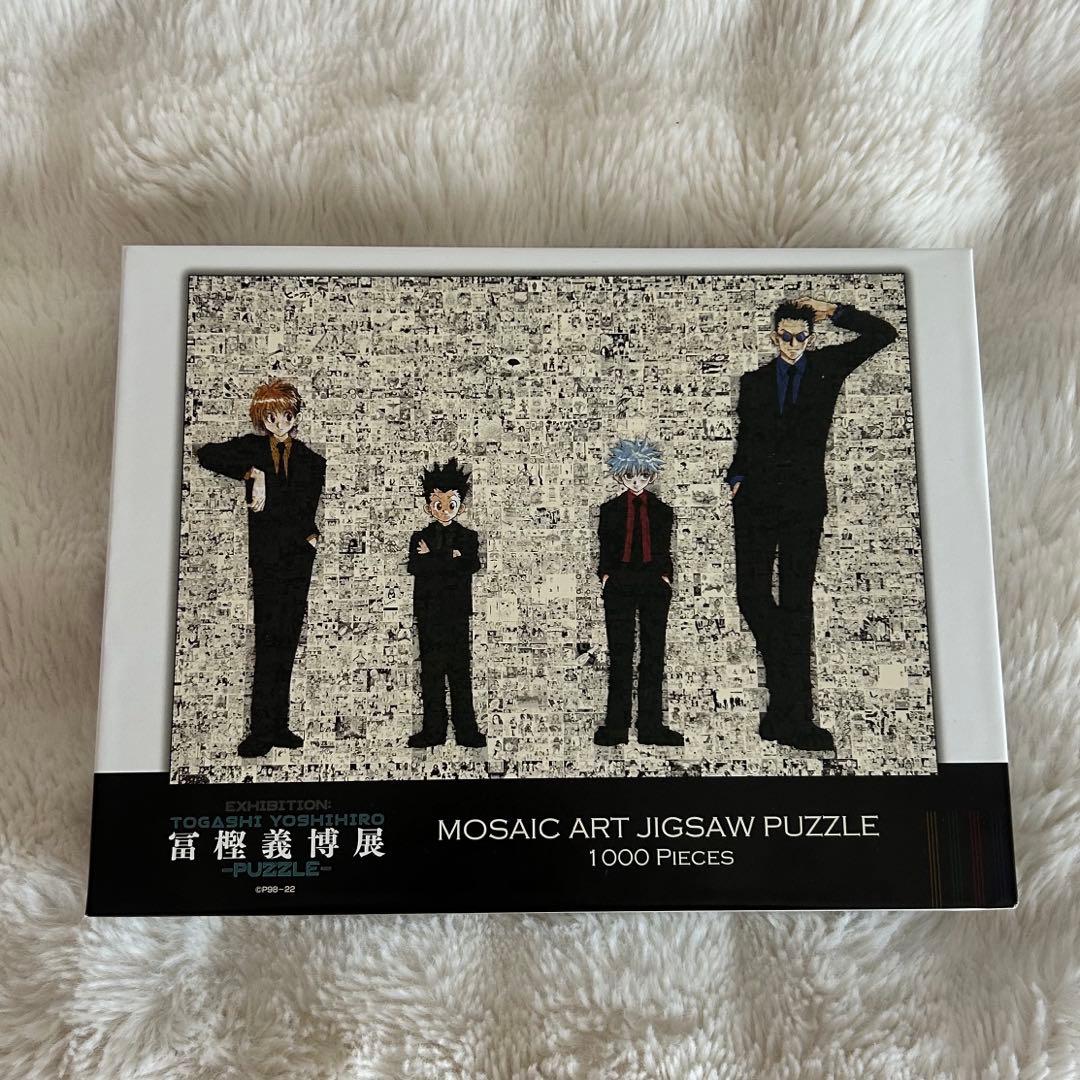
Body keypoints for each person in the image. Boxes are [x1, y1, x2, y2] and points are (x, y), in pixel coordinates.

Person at [726, 296, 897, 751]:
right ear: (773, 336)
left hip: (802, 504)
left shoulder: (827, 367)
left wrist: (835, 312)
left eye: (801, 336)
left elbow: (884, 334)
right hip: (755, 502)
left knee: (796, 605)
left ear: (811, 336)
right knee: (752, 596)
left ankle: (794, 720)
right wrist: (738, 478)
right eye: (785, 336)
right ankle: (785, 710)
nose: (792, 344)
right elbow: (748, 438)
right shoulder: (754, 382)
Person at [195, 378, 326, 758]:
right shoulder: (251, 449)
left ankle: (279, 725)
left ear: (295, 416)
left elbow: (301, 508)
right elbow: (206, 453)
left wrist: (309, 538)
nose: (279, 423)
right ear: (261, 418)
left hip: (297, 557)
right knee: (268, 640)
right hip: (268, 559)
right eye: (270, 417)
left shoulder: (312, 460)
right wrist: (253, 473)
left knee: (287, 640)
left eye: (285, 416)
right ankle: (261, 731)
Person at [595, 437, 684, 747]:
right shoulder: (609, 510)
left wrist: (665, 578)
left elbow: (664, 546)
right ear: (620, 475)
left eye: (643, 475)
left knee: (653, 655)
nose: (636, 481)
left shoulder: (662, 510)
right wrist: (606, 576)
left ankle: (650, 726)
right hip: (619, 582)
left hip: (652, 583)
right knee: (620, 655)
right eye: (630, 475)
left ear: (651, 475)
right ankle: (616, 726)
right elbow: (605, 546)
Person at [407, 458, 487, 748]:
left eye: (450, 504)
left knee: (459, 671)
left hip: (456, 612)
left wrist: (433, 557)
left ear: (460, 507)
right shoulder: (420, 536)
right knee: (431, 672)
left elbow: (470, 565)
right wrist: (449, 557)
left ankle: (466, 731)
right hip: (428, 612)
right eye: (437, 504)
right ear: (428, 506)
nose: (443, 510)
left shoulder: (468, 537)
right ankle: (433, 731)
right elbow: (415, 567)